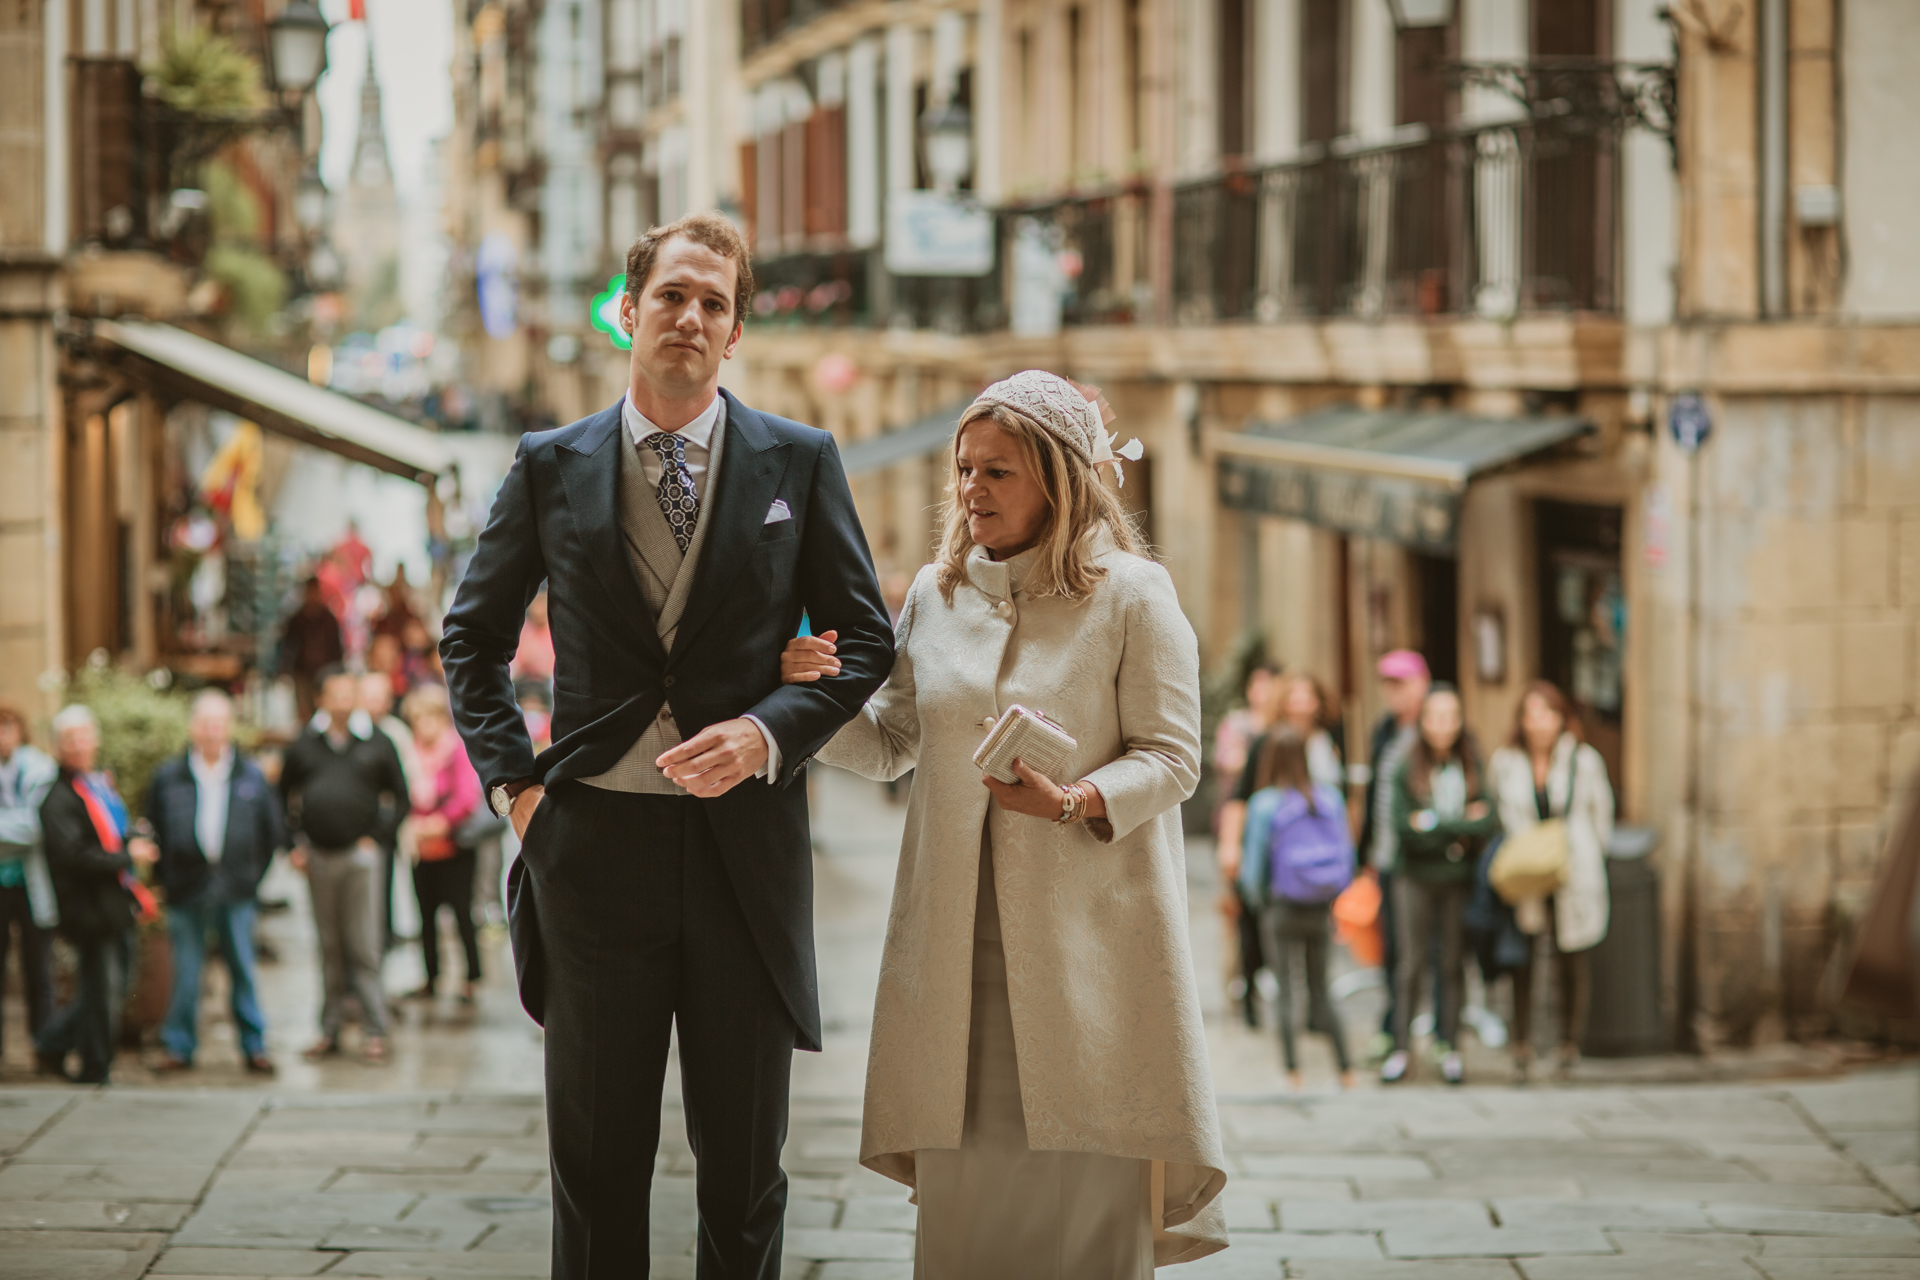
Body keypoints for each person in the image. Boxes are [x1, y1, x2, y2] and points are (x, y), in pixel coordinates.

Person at [439, 211, 894, 1278]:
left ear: (734, 333)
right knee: (596, 1171)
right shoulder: (550, 464)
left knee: (744, 1174)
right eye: (672, 295)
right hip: (593, 850)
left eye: (714, 303)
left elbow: (870, 635)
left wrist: (769, 733)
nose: (690, 316)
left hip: (747, 857)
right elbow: (473, 637)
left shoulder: (801, 458)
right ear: (627, 311)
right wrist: (519, 793)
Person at [781, 370, 1228, 1273]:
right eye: (964, 469)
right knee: (971, 1216)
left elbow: (1175, 757)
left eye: (998, 472)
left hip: (1092, 951)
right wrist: (812, 703)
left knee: (1087, 1199)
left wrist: (1075, 800)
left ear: (1060, 479)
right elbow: (895, 743)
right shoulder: (934, 598)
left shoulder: (1135, 596)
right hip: (954, 959)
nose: (971, 490)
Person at [145, 691, 284, 1074]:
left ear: (229, 729)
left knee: (242, 968)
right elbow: (152, 831)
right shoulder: (168, 777)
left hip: (236, 888)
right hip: (186, 888)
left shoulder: (250, 775)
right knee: (186, 971)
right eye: (205, 723)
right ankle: (179, 1046)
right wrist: (165, 879)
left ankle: (254, 1046)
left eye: (218, 724)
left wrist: (252, 878)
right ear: (192, 728)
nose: (211, 732)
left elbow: (271, 834)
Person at [279, 667, 409, 1065]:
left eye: (347, 694)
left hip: (361, 858)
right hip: (318, 857)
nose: (342, 701)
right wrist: (292, 845)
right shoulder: (305, 744)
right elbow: (281, 795)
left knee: (364, 945)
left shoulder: (376, 741)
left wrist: (377, 837)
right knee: (329, 946)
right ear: (320, 699)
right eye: (334, 694)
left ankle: (375, 1029)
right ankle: (329, 1029)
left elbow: (401, 798)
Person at [1488, 680, 1614, 1082]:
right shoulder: (1506, 762)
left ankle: (1567, 1044)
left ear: (1562, 719)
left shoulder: (1583, 760)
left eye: (1547, 713)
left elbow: (1601, 817)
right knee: (1522, 955)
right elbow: (1499, 810)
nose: (1539, 723)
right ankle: (1522, 1043)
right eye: (1531, 714)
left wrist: (1587, 853)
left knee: (1571, 956)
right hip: (1527, 868)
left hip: (1572, 868)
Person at [35, 706, 157, 1084]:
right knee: (101, 989)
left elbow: (109, 833)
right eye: (70, 739)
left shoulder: (98, 785)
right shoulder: (56, 798)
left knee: (114, 986)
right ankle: (93, 1066)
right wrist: (127, 855)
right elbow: (73, 854)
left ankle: (53, 1044)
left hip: (114, 903)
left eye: (85, 736)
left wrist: (132, 838)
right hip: (87, 908)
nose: (79, 745)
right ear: (57, 747)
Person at [1383, 683, 1497, 1086]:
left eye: (1451, 717)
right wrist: (1456, 827)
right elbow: (1403, 828)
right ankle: (1400, 1047)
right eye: (1435, 717)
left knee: (1451, 963)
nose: (1443, 726)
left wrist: (1434, 822)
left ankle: (1449, 1045)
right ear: (1423, 721)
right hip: (1413, 875)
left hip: (1456, 878)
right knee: (1411, 963)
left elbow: (1487, 820)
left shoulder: (1470, 764)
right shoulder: (1406, 765)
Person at [1243, 728, 1355, 1091]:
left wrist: (1261, 901)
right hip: (1321, 907)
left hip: (1282, 907)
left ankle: (1294, 1073)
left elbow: (1251, 870)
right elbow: (1347, 860)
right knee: (1322, 989)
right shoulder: (1330, 799)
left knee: (1287, 991)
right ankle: (1346, 1070)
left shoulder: (1264, 804)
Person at [1357, 649, 1431, 1059]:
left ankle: (1429, 1030)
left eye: (1400, 683)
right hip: (1385, 856)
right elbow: (1374, 794)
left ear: (1422, 684)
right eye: (1388, 684)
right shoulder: (1384, 729)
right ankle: (1394, 1027)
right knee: (1392, 950)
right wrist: (1364, 851)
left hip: (1422, 860)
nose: (1393, 693)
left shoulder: (1437, 727)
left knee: (1424, 952)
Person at [403, 685, 483, 1003]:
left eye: (428, 718)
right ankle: (430, 976)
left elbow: (466, 798)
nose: (423, 725)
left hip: (454, 846)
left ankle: (470, 978)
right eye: (417, 719)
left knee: (462, 913)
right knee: (426, 916)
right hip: (422, 848)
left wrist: (438, 823)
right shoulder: (410, 753)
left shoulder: (456, 750)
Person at [1213, 662, 1282, 1028]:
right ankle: (1240, 989)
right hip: (1239, 832)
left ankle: (1265, 981)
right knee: (1239, 916)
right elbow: (1231, 766)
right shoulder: (1240, 726)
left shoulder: (1282, 731)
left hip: (1277, 839)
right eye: (1260, 684)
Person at [0, 703, 59, 1071]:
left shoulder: (39, 768)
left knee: (40, 971)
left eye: (8, 726)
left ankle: (45, 1049)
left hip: (31, 885)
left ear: (21, 731)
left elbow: (36, 827)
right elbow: (22, 826)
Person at [359, 671, 418, 950]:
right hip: (358, 819)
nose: (372, 704)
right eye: (367, 697)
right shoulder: (352, 731)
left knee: (389, 878)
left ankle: (389, 932)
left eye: (378, 698)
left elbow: (408, 780)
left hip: (390, 818)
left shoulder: (396, 734)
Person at [280, 577, 344, 720]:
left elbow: (336, 648)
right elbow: (288, 647)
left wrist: (336, 671)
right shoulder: (297, 619)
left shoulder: (328, 619)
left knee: (324, 707)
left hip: (325, 672)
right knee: (304, 709)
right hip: (302, 673)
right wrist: (285, 670)